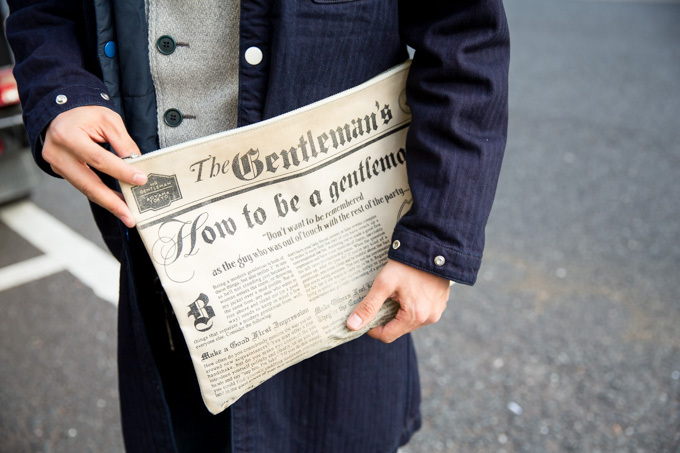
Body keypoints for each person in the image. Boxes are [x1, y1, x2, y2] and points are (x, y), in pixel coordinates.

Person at [6, 1, 509, 452]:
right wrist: (59, 90)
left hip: (343, 262)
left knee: (334, 430)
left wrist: (437, 240)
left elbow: (464, 34)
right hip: (162, 263)